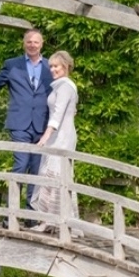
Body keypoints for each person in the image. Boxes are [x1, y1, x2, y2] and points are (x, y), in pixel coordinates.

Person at [0, 28, 52, 206]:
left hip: (43, 126)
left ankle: (31, 214)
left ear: (42, 44)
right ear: (24, 43)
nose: (32, 45)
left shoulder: (50, 66)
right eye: (29, 42)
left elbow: (60, 91)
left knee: (37, 170)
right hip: (20, 124)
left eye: (36, 42)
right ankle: (11, 213)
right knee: (20, 165)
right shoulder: (12, 64)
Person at [29, 50, 79, 231]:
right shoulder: (59, 86)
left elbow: (58, 113)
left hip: (61, 137)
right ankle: (47, 221)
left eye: (56, 66)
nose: (52, 69)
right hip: (57, 135)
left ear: (65, 67)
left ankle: (65, 223)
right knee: (47, 176)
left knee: (57, 176)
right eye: (50, 66)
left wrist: (46, 136)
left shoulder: (66, 86)